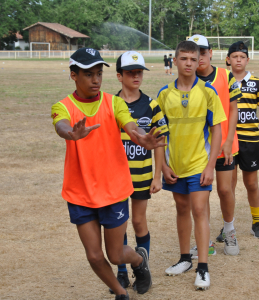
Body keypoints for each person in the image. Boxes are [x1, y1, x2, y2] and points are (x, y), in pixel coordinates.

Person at [51, 48, 166, 300]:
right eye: (88, 74)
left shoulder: (114, 102)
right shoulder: (63, 106)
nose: (96, 80)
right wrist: (70, 133)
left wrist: (140, 137)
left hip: (113, 191)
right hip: (80, 192)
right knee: (93, 255)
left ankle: (138, 261)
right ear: (73, 75)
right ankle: (121, 292)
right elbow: (60, 124)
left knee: (115, 255)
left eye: (99, 74)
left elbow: (130, 124)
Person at [158, 41, 226, 290]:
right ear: (174, 61)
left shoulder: (208, 92)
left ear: (199, 62)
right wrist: (164, 165)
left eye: (192, 59)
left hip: (199, 163)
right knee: (181, 209)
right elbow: (159, 134)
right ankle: (185, 258)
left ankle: (203, 268)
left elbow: (217, 131)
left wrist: (210, 166)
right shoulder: (165, 94)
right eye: (183, 58)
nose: (188, 63)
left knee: (199, 209)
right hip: (175, 165)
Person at [112, 51, 169, 292]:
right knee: (119, 224)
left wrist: (158, 175)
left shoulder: (152, 104)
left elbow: (160, 142)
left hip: (142, 176)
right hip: (115, 177)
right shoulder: (111, 104)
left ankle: (142, 269)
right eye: (130, 72)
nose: (136, 76)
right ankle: (122, 272)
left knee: (138, 221)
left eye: (139, 72)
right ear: (119, 76)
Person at [188, 34, 242, 256]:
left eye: (202, 51)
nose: (199, 57)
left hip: (225, 145)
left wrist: (229, 141)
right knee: (202, 193)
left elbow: (233, 109)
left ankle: (229, 230)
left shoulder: (225, 76)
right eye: (194, 52)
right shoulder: (188, 80)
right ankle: (206, 240)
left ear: (210, 53)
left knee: (224, 189)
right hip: (200, 149)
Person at [227, 41, 259, 238]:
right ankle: (228, 226)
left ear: (247, 59)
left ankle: (257, 222)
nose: (238, 60)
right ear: (228, 59)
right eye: (235, 56)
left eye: (242, 57)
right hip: (229, 141)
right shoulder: (222, 81)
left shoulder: (257, 83)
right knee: (228, 185)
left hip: (250, 141)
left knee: (251, 183)